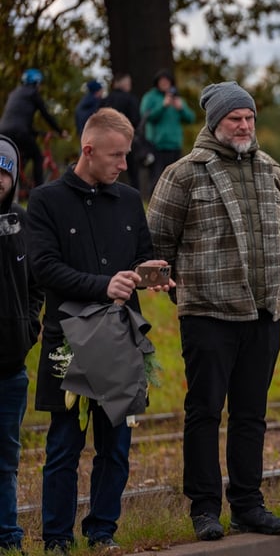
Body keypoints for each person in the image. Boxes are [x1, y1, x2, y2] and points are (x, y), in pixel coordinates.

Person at [147, 81, 280, 540]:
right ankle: (205, 509)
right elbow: (156, 243)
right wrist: (175, 288)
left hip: (264, 313)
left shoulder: (272, 170)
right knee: (204, 412)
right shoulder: (184, 173)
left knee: (251, 414)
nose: (245, 125)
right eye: (236, 118)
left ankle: (249, 504)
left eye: (249, 117)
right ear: (215, 122)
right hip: (208, 314)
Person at [26, 108, 166, 553]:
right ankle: (56, 539)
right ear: (88, 150)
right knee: (65, 444)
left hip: (121, 339)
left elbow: (142, 253)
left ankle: (102, 531)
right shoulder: (46, 200)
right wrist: (103, 285)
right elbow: (44, 268)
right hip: (66, 337)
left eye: (126, 155)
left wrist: (154, 274)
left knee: (116, 445)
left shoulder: (127, 200)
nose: (124, 164)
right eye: (117, 156)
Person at [0, 135, 42, 553]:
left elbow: (36, 287)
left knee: (6, 459)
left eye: (3, 171)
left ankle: (8, 535)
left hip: (10, 366)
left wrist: (29, 328)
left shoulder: (22, 222)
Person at [0, 68, 68, 188]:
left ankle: (18, 186)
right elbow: (46, 115)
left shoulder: (14, 93)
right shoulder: (33, 94)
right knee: (37, 156)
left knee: (19, 156)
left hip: (3, 131)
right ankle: (38, 190)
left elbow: (18, 117)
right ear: (37, 83)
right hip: (20, 132)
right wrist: (60, 131)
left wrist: (37, 132)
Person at [140, 69, 195, 189]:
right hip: (157, 145)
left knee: (177, 179)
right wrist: (162, 106)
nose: (165, 84)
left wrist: (181, 109)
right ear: (157, 83)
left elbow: (191, 118)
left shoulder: (177, 98)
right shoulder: (150, 97)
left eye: (167, 81)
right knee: (157, 179)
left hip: (175, 145)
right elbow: (146, 117)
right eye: (162, 81)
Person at [101, 73, 142, 190]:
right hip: (127, 139)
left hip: (107, 139)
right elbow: (136, 120)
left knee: (109, 169)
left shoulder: (106, 100)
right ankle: (135, 195)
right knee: (133, 171)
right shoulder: (130, 99)